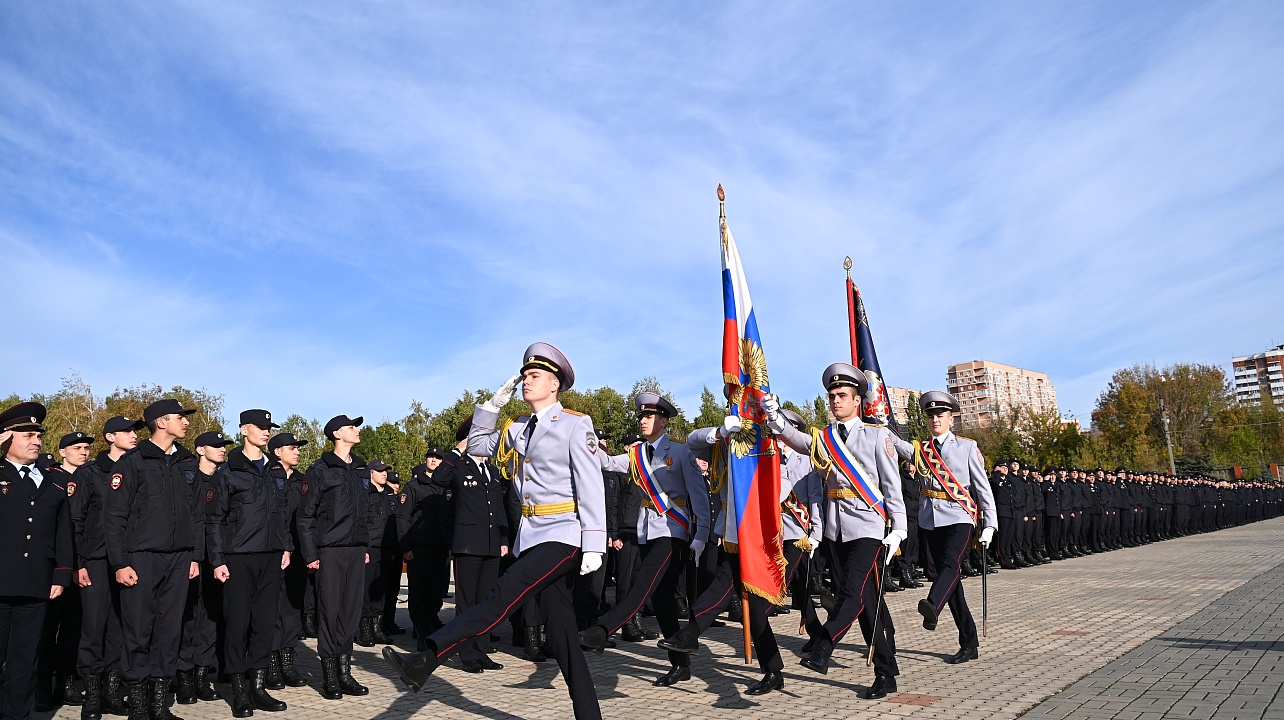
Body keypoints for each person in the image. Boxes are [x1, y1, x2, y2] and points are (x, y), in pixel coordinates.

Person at [382, 342, 607, 720]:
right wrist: (490, 408)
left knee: (499, 595)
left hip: (564, 534)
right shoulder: (518, 426)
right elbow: (480, 446)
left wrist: (594, 543)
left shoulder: (574, 423)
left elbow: (590, 483)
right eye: (524, 376)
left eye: (534, 376)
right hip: (532, 534)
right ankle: (590, 714)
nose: (525, 381)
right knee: (564, 634)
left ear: (555, 384)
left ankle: (428, 656)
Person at [763, 364, 906, 698]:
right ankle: (886, 672)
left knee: (851, 593)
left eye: (842, 395)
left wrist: (898, 526)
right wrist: (775, 418)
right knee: (865, 603)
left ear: (857, 401)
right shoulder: (824, 438)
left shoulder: (877, 436)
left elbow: (891, 484)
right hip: (836, 530)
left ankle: (823, 646)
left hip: (869, 526)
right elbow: (797, 440)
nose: (835, 401)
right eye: (832, 396)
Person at [577, 392, 711, 686]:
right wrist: (586, 442)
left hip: (673, 531)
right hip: (647, 528)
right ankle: (681, 664)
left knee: (641, 582)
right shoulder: (636, 455)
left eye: (649, 416)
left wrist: (701, 535)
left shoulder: (681, 453)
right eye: (641, 416)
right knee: (662, 599)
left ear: (663, 421)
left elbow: (699, 498)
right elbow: (608, 463)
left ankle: (603, 630)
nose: (643, 420)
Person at [102, 398, 204, 720]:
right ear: (161, 422)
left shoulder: (188, 462)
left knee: (169, 631)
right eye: (180, 417)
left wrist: (195, 557)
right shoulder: (133, 462)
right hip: (141, 559)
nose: (186, 422)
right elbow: (114, 516)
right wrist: (120, 563)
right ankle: (139, 707)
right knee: (137, 631)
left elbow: (198, 514)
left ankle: (160, 706)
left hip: (180, 559)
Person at [896, 391, 997, 665]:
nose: (935, 420)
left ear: (951, 418)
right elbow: (899, 447)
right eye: (930, 416)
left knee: (952, 565)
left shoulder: (966, 447)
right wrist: (882, 428)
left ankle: (932, 604)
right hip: (930, 519)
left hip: (960, 516)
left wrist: (990, 523)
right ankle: (969, 642)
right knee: (949, 580)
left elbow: (981, 487)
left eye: (940, 415)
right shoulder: (922, 449)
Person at [206, 410, 292, 716]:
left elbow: (281, 513)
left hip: (271, 557)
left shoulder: (275, 470)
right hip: (238, 558)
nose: (266, 432)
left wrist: (286, 547)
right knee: (238, 623)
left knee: (265, 624)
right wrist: (217, 559)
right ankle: (239, 690)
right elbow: (214, 520)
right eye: (260, 427)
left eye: (269, 428)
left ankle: (258, 686)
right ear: (244, 430)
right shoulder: (228, 472)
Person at [0, 403, 74, 720]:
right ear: (7, 439)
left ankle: (17, 713)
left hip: (36, 582)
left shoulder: (51, 482)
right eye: (28, 435)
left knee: (25, 658)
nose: (36, 441)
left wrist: (61, 575)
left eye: (38, 436)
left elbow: (62, 533)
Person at [71, 417, 143, 720]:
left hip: (129, 560)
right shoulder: (90, 473)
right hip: (97, 561)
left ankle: (113, 692)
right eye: (127, 431)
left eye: (135, 431)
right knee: (93, 628)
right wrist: (78, 564)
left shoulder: (138, 467)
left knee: (121, 628)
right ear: (110, 437)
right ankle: (93, 694)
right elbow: (74, 521)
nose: (133, 435)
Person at [297, 415, 370, 701]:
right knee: (330, 612)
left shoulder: (361, 468)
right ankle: (329, 676)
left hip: (355, 550)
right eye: (352, 427)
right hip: (329, 550)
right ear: (337, 434)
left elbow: (365, 511)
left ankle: (344, 672)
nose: (357, 430)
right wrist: (311, 554)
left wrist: (363, 546)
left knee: (351, 612)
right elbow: (305, 516)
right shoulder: (320, 470)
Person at [438, 418, 509, 672]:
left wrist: (503, 539)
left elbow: (499, 508)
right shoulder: (459, 466)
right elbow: (438, 478)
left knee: (486, 602)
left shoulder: (491, 470)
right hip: (468, 545)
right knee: (467, 603)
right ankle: (466, 653)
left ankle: (482, 651)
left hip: (491, 544)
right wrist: (458, 450)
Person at [36, 432, 94, 711]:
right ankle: (42, 687)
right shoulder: (50, 477)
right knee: (48, 629)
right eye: (77, 448)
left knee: (73, 627)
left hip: (81, 562)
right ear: (62, 452)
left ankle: (67, 683)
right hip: (54, 564)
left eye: (86, 448)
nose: (83, 452)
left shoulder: (91, 476)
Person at [177, 432, 230, 707]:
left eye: (224, 447)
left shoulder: (224, 478)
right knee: (186, 618)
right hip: (191, 557)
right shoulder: (186, 476)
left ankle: (201, 676)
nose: (222, 450)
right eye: (217, 446)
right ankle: (183, 677)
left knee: (210, 618)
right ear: (200, 449)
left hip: (217, 557)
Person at [265, 431, 310, 692]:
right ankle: (270, 665)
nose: (297, 452)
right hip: (274, 551)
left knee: (293, 608)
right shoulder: (268, 477)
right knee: (271, 608)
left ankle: (288, 662)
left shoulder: (302, 481)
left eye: (298, 448)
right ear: (277, 451)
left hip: (298, 553)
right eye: (292, 448)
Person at [396, 447, 451, 648]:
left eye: (438, 458)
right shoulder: (413, 486)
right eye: (431, 457)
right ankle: (420, 632)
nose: (434, 460)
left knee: (436, 590)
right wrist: (405, 546)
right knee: (419, 590)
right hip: (419, 548)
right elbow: (403, 518)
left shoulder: (447, 486)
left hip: (441, 547)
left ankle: (432, 624)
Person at [358, 459, 398, 648]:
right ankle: (364, 629)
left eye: (385, 470)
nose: (384, 473)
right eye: (380, 470)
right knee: (366, 590)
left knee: (381, 590)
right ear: (370, 472)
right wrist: (364, 548)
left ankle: (377, 627)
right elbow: (362, 522)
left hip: (387, 548)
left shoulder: (390, 494)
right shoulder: (365, 493)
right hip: (371, 547)